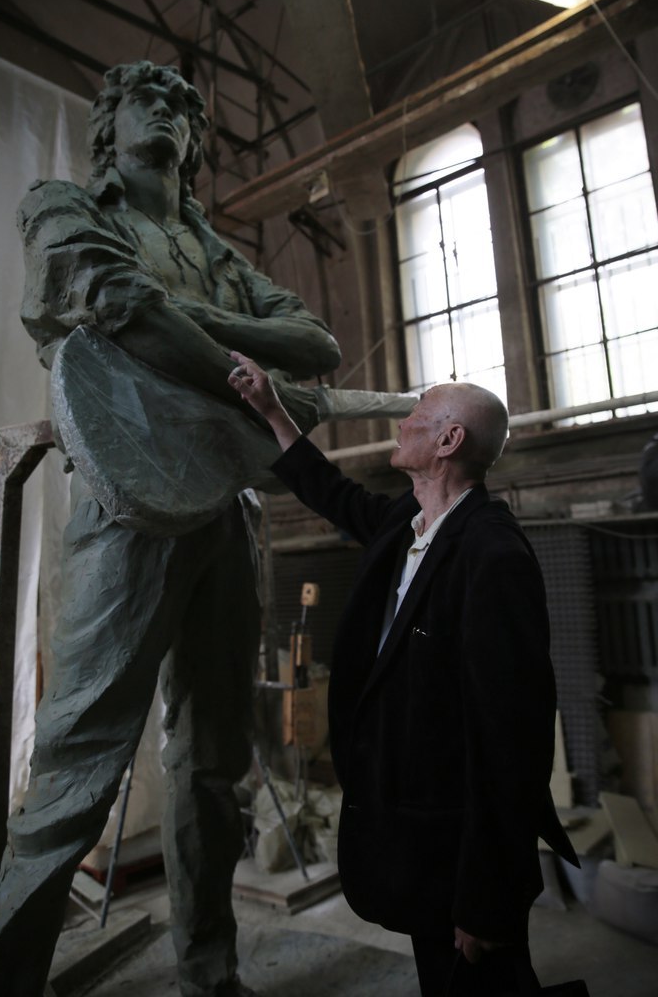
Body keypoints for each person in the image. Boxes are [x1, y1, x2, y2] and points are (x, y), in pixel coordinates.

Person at [0, 61, 341, 997]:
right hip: (127, 508)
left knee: (215, 764)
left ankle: (208, 974)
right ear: (110, 123)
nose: (173, 113)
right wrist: (256, 380)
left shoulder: (217, 254)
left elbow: (318, 346)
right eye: (153, 98)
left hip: (231, 510)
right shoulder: (64, 204)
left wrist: (204, 327)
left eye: (187, 106)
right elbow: (118, 305)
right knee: (76, 765)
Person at [228, 352, 579, 997]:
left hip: (461, 851)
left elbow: (511, 744)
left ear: (448, 441)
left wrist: (487, 896)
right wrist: (272, 410)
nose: (403, 422)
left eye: (417, 414)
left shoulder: (491, 554)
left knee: (484, 981)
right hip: (417, 836)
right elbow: (331, 492)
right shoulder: (406, 523)